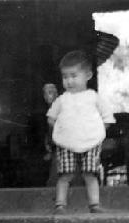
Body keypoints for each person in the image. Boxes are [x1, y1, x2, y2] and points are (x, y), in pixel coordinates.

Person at [47, 50, 115, 214]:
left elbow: (108, 118)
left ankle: (94, 205)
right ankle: (60, 205)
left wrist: (96, 133)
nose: (69, 81)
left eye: (73, 75)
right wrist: (63, 131)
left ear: (88, 75)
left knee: (90, 174)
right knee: (65, 175)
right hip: (67, 144)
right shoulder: (62, 100)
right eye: (65, 77)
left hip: (91, 142)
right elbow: (51, 118)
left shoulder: (94, 97)